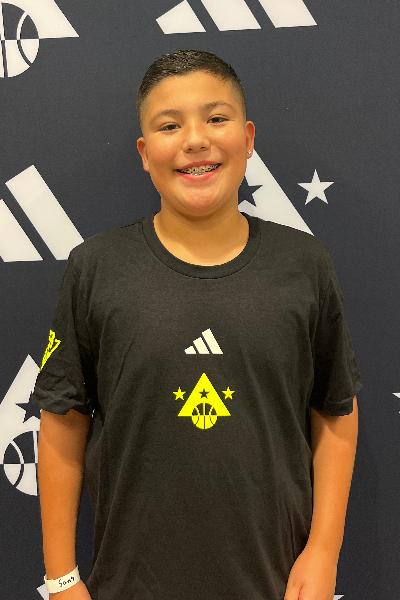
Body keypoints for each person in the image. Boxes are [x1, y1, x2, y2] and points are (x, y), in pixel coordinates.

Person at [33, 49, 363, 600]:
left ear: (248, 138)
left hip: (278, 582)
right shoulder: (96, 268)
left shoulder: (304, 264)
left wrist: (324, 550)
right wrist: (61, 577)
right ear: (145, 153)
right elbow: (62, 422)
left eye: (216, 118)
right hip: (130, 583)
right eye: (169, 126)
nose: (195, 140)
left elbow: (335, 411)